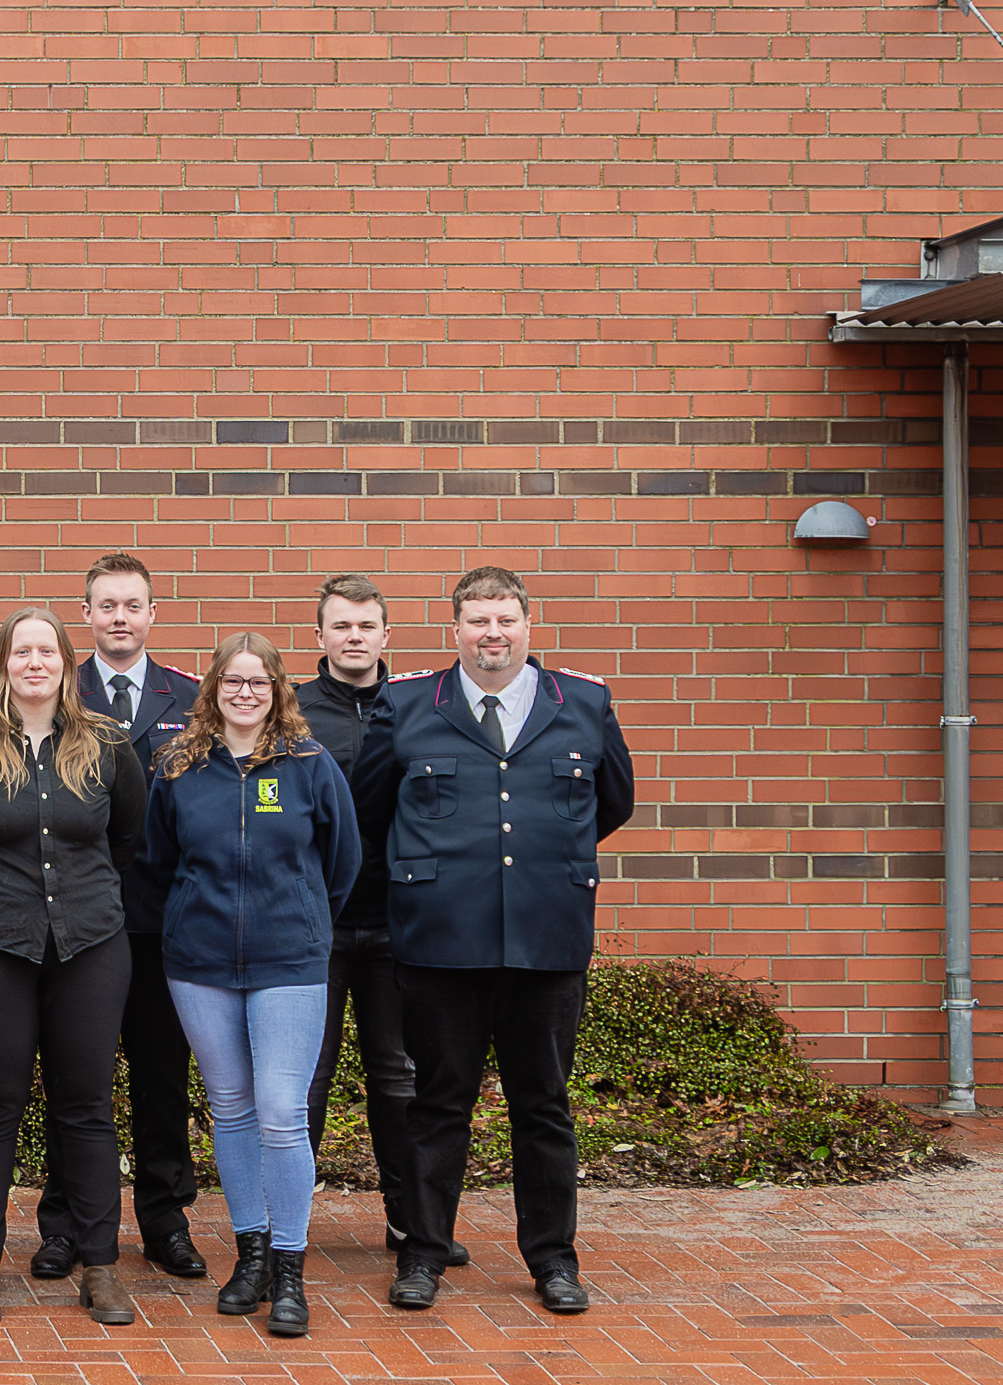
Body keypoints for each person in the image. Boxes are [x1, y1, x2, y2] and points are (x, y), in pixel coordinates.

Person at [353, 567, 636, 1317]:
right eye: (478, 621)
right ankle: (422, 1254)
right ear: (455, 630)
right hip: (440, 943)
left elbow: (612, 804)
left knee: (542, 1106)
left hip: (546, 940)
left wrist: (540, 869)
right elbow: (370, 815)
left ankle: (553, 1262)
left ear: (527, 626)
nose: (492, 634)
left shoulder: (584, 703)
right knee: (438, 1106)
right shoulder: (408, 704)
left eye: (505, 619)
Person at [0, 608, 148, 1328]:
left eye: (48, 651)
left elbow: (129, 837)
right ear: (4, 664)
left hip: (89, 947)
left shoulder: (106, 745)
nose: (36, 663)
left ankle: (100, 1267)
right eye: (23, 652)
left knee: (86, 1107)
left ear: (67, 664)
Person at [140, 634, 359, 1339]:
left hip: (289, 961)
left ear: (277, 691)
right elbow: (156, 859)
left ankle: (290, 1275)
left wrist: (296, 911)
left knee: (280, 1111)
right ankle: (251, 1255)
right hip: (199, 963)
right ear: (212, 690)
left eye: (258, 682)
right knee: (230, 1107)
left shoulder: (308, 764)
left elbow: (342, 862)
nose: (244, 692)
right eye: (231, 682)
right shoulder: (179, 768)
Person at [43, 552, 205, 1281]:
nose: (118, 618)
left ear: (151, 614)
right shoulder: (52, 689)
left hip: (162, 921)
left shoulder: (191, 698)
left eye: (132, 605)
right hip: (73, 924)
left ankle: (165, 1219)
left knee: (163, 1078)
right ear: (86, 615)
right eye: (105, 605)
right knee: (73, 1079)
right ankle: (64, 1223)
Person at [294, 574, 454, 1271]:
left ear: (386, 636)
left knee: (401, 1079)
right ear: (320, 636)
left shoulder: (419, 708)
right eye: (341, 626)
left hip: (399, 926)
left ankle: (408, 1221)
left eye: (366, 626)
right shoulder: (291, 713)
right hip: (314, 926)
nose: (354, 637)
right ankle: (284, 1227)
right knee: (308, 1079)